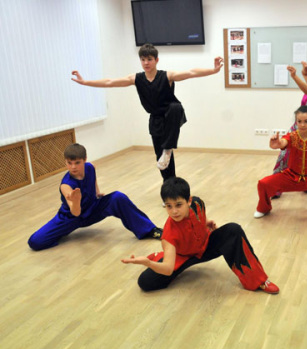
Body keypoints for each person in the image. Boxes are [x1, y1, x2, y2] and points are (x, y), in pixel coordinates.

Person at [71, 43, 224, 183]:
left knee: (175, 108)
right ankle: (169, 186)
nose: (146, 63)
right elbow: (110, 82)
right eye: (143, 59)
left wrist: (213, 70)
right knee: (162, 160)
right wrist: (85, 82)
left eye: (149, 59)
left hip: (171, 115)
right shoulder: (136, 79)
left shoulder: (167, 76)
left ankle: (168, 147)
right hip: (155, 119)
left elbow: (191, 73)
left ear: (156, 60)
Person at [121, 177, 279, 294]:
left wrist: (206, 222)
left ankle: (259, 281)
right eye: (169, 206)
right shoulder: (169, 235)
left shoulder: (197, 203)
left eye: (178, 205)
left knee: (233, 229)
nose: (174, 211)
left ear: (189, 201)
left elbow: (199, 216)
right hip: (183, 256)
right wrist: (148, 263)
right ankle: (158, 257)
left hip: (204, 246)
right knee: (145, 282)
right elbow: (168, 269)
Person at [28, 143, 162, 251]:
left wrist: (97, 192)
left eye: (77, 163)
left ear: (84, 160)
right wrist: (75, 201)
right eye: (69, 163)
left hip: (92, 209)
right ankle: (61, 232)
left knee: (118, 197)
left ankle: (149, 230)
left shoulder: (90, 167)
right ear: (66, 162)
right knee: (35, 242)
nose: (73, 167)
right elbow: (75, 213)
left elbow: (93, 175)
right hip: (71, 218)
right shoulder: (66, 186)